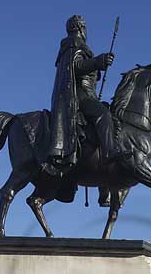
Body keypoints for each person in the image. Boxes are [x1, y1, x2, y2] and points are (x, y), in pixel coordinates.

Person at [47, 14, 128, 177]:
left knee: (111, 116)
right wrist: (98, 62)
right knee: (103, 114)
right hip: (80, 95)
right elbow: (76, 67)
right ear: (79, 28)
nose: (85, 31)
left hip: (87, 94)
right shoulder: (73, 43)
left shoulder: (75, 46)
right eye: (83, 27)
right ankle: (109, 152)